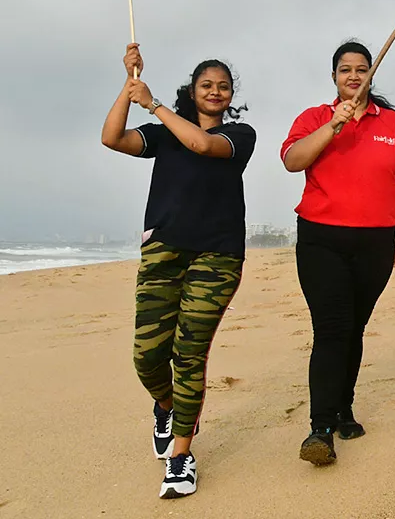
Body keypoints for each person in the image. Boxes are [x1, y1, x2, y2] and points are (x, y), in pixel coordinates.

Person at [101, 44, 255, 500]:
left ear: (230, 96)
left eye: (222, 86)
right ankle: (166, 406)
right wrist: (129, 87)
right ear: (193, 90)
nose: (215, 91)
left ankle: (181, 456)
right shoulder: (164, 133)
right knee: (147, 356)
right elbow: (111, 138)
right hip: (164, 251)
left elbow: (203, 144)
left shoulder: (239, 135)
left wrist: (152, 102)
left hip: (218, 255)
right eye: (206, 85)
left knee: (190, 353)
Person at [282, 42, 395, 467]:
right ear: (334, 77)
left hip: (375, 241)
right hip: (322, 238)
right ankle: (320, 426)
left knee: (355, 326)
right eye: (345, 70)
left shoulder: (393, 123)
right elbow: (291, 160)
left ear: (371, 75)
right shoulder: (314, 118)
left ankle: (344, 407)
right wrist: (333, 127)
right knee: (332, 328)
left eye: (362, 69)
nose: (354, 76)